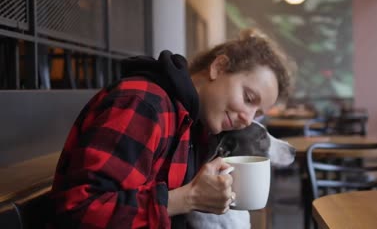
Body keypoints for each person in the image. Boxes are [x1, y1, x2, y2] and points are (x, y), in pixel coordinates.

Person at [50, 29, 294, 228]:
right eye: (249, 98)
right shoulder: (143, 103)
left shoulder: (194, 127)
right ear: (218, 67)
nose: (248, 119)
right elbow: (79, 209)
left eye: (258, 113)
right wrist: (188, 198)